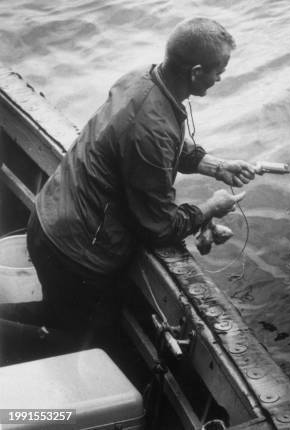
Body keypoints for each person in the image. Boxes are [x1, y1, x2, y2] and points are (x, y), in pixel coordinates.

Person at [26, 17, 255, 341]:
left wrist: (215, 166)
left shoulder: (143, 77)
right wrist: (210, 207)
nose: (220, 78)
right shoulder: (151, 130)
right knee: (72, 340)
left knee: (56, 316)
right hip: (74, 253)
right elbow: (159, 227)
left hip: (48, 218)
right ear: (195, 73)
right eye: (219, 70)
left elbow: (157, 143)